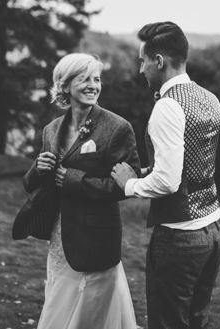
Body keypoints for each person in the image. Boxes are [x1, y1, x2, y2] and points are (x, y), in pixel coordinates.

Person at [111, 21, 220, 329]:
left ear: (159, 61)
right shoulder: (209, 99)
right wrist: (152, 170)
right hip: (212, 233)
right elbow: (193, 165)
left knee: (167, 323)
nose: (141, 70)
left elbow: (168, 181)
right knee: (195, 320)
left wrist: (130, 184)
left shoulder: (167, 106)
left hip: (179, 237)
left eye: (143, 61)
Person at [18, 52, 140, 329]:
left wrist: (75, 180)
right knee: (58, 305)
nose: (93, 85)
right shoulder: (51, 130)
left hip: (96, 237)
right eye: (84, 79)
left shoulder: (117, 128)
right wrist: (39, 168)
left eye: (96, 79)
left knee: (92, 315)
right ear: (65, 85)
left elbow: (126, 186)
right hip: (59, 239)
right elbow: (30, 184)